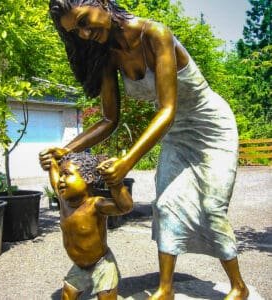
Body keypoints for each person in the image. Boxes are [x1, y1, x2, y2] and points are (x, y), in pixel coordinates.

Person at [39, 0, 249, 299]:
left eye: (84, 21)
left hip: (210, 127)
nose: (84, 34)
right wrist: (65, 149)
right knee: (165, 207)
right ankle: (165, 288)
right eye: (76, 32)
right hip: (175, 131)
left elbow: (167, 108)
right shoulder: (109, 55)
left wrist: (127, 162)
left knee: (211, 207)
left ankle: (238, 286)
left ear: (101, 3)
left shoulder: (155, 34)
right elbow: (110, 119)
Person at [48, 152, 133, 299]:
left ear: (88, 178)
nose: (61, 180)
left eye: (67, 174)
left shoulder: (96, 205)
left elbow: (125, 207)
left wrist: (115, 182)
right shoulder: (64, 201)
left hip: (102, 264)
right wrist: (52, 156)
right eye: (61, 175)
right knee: (67, 295)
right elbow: (53, 171)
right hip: (80, 266)